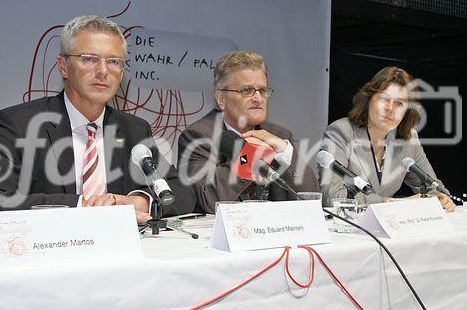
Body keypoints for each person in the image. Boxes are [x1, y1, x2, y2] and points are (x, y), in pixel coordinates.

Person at [0, 15, 195, 221]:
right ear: (63, 66)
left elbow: (183, 193)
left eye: (114, 61)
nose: (103, 71)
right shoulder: (19, 123)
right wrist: (78, 206)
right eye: (89, 59)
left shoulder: (133, 130)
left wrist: (139, 201)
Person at [178, 50, 320, 213]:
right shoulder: (199, 136)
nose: (258, 98)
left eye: (262, 90)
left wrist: (286, 153)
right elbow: (207, 200)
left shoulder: (280, 136)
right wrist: (250, 156)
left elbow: (312, 199)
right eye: (246, 91)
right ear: (221, 99)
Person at [318, 66, 455, 211]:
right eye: (384, 99)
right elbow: (332, 197)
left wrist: (440, 199)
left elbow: (432, 187)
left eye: (399, 103)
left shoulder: (408, 139)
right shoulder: (340, 132)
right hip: (348, 227)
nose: (390, 108)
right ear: (368, 99)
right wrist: (394, 204)